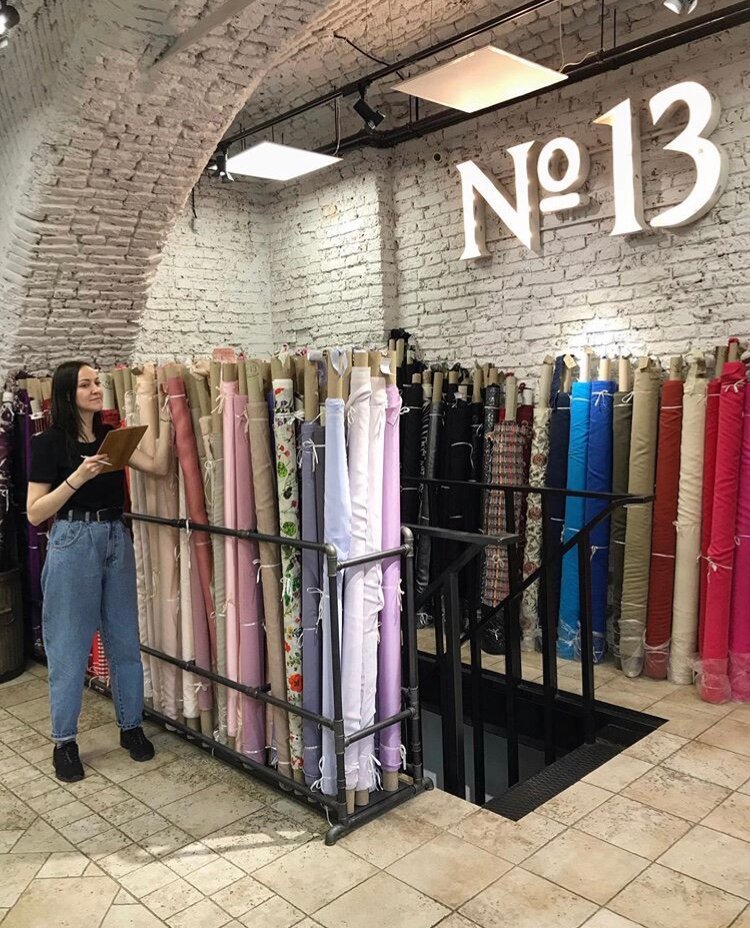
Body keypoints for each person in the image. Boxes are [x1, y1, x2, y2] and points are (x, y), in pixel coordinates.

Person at [27, 361, 171, 783]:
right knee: (69, 646)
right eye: (86, 384)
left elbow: (159, 466)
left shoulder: (111, 437)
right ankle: (64, 742)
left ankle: (131, 727)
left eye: (97, 383)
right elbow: (35, 513)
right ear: (67, 393)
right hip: (72, 540)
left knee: (125, 639)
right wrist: (77, 477)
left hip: (115, 537)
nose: (95, 389)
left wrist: (169, 413)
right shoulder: (49, 443)